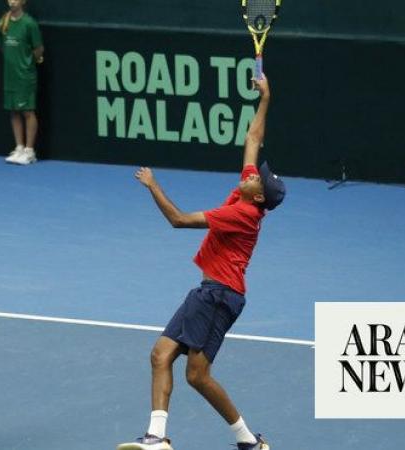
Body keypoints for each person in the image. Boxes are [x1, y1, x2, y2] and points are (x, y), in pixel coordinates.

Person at [117, 75, 285, 450]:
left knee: (197, 375)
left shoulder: (242, 213)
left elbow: (178, 220)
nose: (253, 174)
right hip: (212, 292)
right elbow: (253, 139)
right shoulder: (248, 189)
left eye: (258, 180)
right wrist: (266, 99)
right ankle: (157, 438)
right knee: (161, 355)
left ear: (258, 198)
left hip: (220, 296)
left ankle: (249, 441)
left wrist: (152, 185)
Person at [0, 0, 44, 165]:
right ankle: (19, 147)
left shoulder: (30, 24)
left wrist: (27, 62)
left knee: (27, 111)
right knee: (14, 111)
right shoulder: (4, 22)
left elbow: (39, 49)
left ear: (23, 1)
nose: (11, 2)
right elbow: (2, 46)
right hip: (9, 76)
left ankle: (30, 151)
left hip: (25, 75)